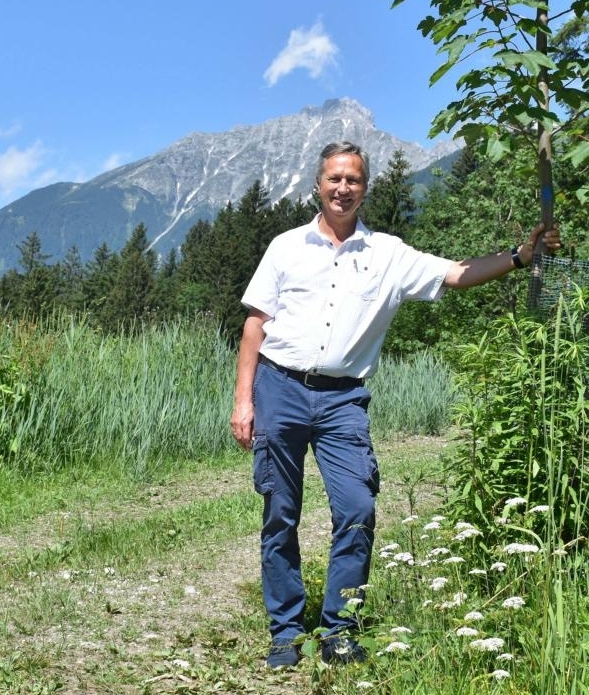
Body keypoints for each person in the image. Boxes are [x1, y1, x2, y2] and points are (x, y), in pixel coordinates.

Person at [230, 141, 560, 668]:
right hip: (280, 387)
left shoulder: (388, 254)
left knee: (357, 510)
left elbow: (456, 273)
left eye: (353, 180)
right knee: (280, 513)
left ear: (366, 188)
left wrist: (521, 257)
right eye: (334, 179)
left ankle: (339, 630)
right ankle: (286, 633)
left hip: (344, 400)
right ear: (318, 185)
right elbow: (255, 326)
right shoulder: (285, 246)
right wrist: (243, 400)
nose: (343, 188)